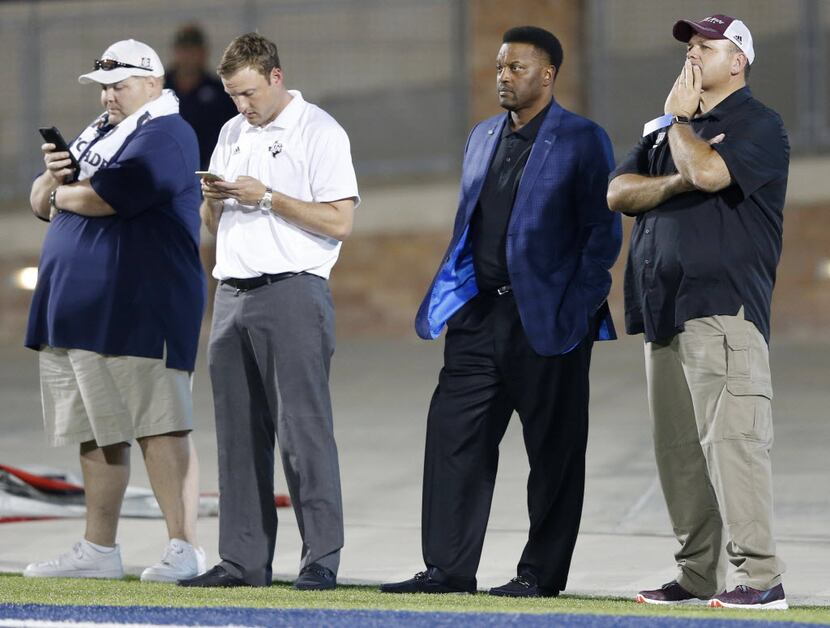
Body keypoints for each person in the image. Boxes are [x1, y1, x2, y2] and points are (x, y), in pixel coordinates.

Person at [380, 26, 621, 597]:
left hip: (549, 322)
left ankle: (538, 575)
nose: (503, 77)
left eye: (516, 68)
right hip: (478, 318)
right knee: (452, 439)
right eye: (499, 67)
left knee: (554, 456)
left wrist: (577, 309)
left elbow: (601, 236)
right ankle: (447, 568)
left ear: (548, 74)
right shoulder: (482, 136)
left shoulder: (583, 139)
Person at [607, 14, 790, 610]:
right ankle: (696, 575)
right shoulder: (665, 132)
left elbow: (712, 173)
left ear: (737, 60)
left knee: (733, 444)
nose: (692, 54)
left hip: (722, 310)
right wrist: (677, 171)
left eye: (706, 47)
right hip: (663, 311)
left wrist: (682, 128)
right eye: (689, 46)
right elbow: (618, 192)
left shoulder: (758, 125)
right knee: (680, 452)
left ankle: (761, 579)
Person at [177, 32, 359, 591]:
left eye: (249, 93)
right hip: (231, 294)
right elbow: (216, 226)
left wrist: (267, 197)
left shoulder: (319, 130)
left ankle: (320, 560)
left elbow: (339, 221)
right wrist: (213, 203)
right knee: (236, 436)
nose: (242, 106)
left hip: (292, 292)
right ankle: (242, 562)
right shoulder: (232, 132)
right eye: (233, 95)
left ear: (276, 77)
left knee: (303, 432)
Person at [23, 39, 207, 583]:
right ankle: (98, 549)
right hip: (79, 310)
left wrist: (63, 189)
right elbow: (39, 198)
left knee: (161, 426)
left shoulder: (167, 131)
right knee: (96, 431)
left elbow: (106, 196)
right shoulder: (101, 129)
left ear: (152, 83)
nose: (107, 95)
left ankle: (184, 548)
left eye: (119, 84)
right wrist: (59, 186)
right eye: (103, 85)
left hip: (139, 306)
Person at [165, 24, 237, 170]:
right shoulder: (158, 88)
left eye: (193, 50)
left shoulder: (220, 92)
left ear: (204, 52)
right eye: (184, 50)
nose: (189, 57)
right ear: (175, 52)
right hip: (164, 169)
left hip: (207, 172)